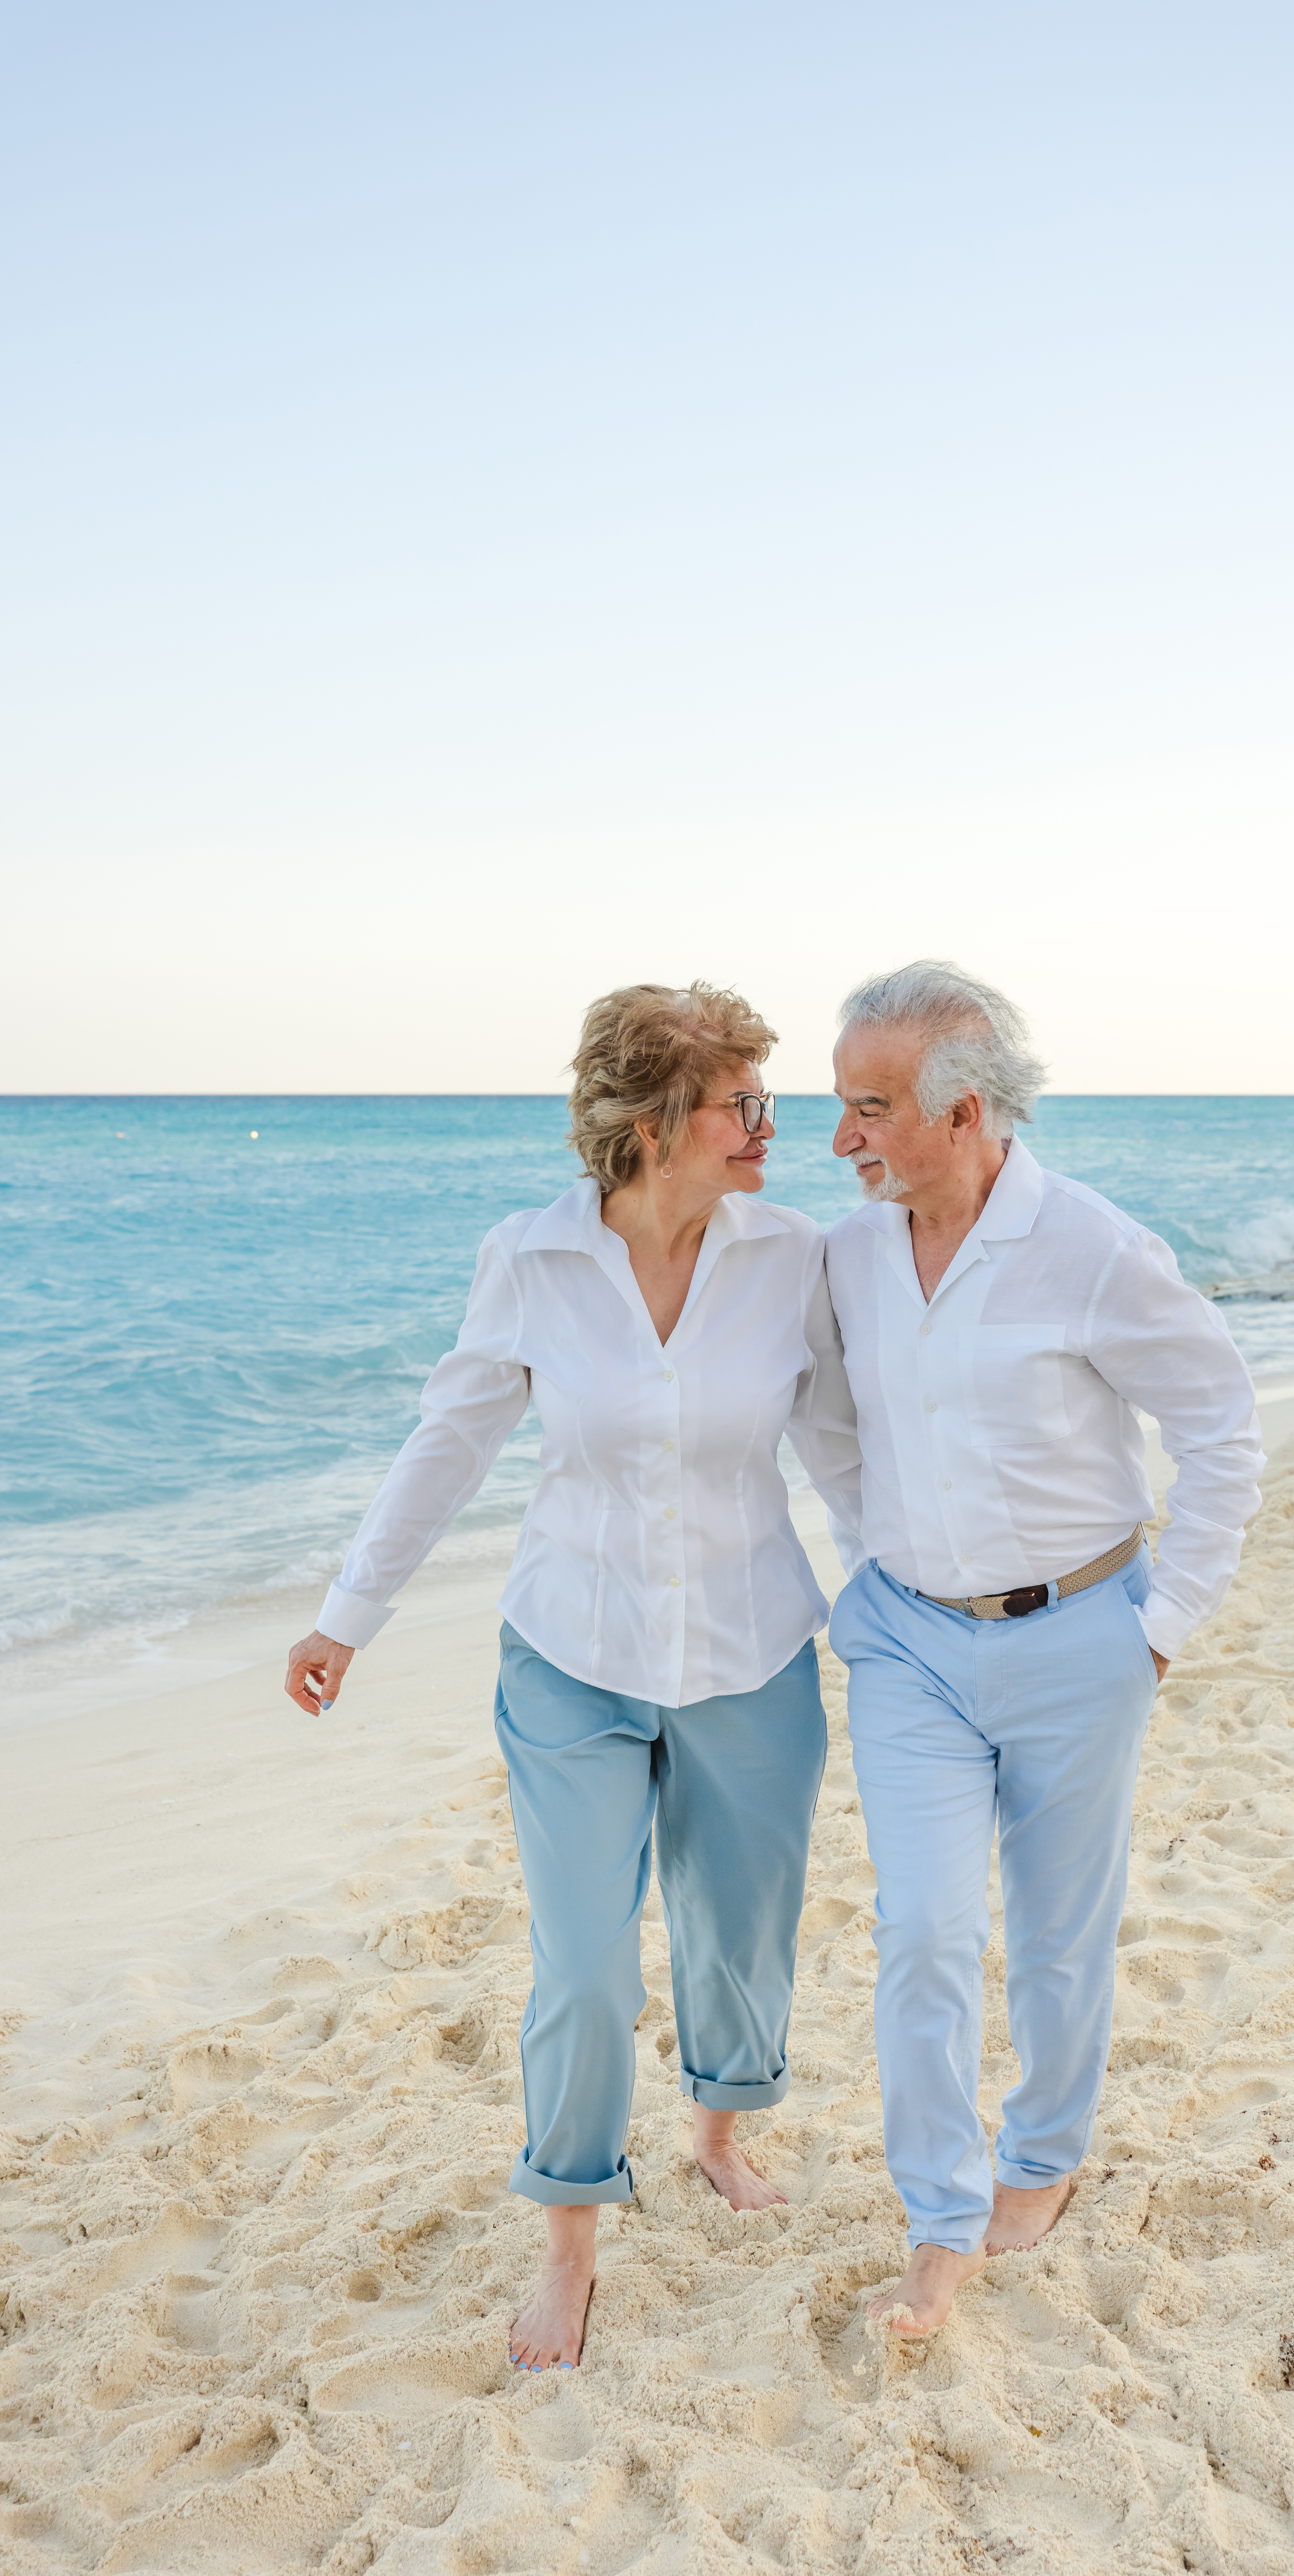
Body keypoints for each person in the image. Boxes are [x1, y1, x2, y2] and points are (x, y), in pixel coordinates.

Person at [284, 982, 861, 2372]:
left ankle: (717, 2135)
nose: (768, 1125)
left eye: (765, 1098)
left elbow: (841, 1446)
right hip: (571, 1656)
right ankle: (569, 2240)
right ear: (652, 1123)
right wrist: (346, 1615)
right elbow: (452, 1441)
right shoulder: (531, 1258)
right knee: (587, 1969)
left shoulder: (793, 1255)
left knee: (741, 1933)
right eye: (739, 1103)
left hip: (750, 1653)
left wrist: (909, 1606)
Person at [822, 961, 1263, 2338]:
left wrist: (1163, 1627)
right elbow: (827, 1422)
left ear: (964, 1113)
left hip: (1079, 1636)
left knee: (1059, 1936)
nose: (841, 1137)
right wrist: (871, 1547)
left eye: (870, 1107)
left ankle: (1046, 2155)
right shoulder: (847, 1255)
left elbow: (1221, 1428)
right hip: (907, 1644)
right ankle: (938, 2217)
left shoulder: (1094, 1248)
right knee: (926, 1929)